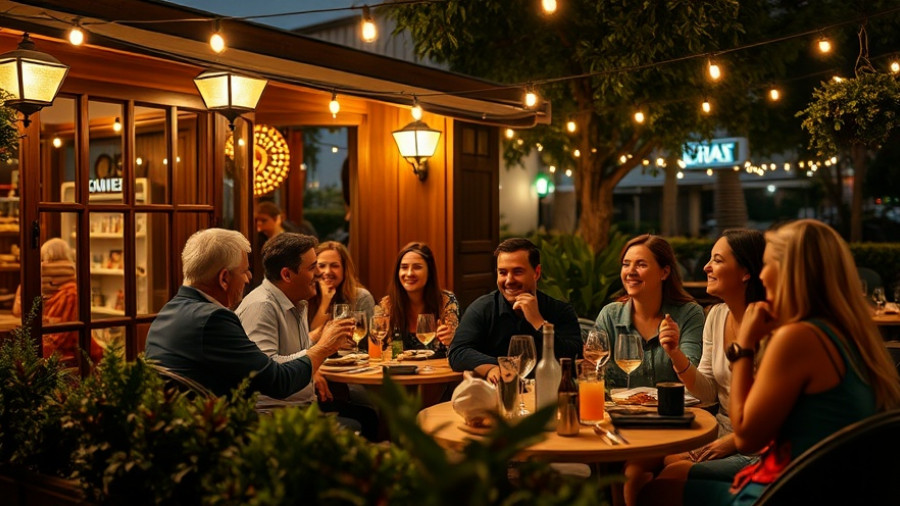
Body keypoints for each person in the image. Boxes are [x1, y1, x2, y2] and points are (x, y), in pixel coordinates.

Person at [679, 219, 900, 504]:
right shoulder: (845, 331)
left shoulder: (798, 337)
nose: (763, 275)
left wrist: (744, 346)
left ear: (790, 272)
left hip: (794, 489)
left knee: (657, 488)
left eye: (768, 264)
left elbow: (747, 438)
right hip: (840, 485)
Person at [629, 229, 765, 506]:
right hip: (722, 430)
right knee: (650, 464)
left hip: (759, 445)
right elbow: (707, 394)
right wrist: (675, 353)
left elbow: (775, 413)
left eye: (717, 260)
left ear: (745, 273)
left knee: (671, 473)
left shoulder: (769, 323)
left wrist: (733, 442)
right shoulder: (716, 315)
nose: (706, 266)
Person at [145, 228, 350, 398]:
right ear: (224, 278)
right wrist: (324, 347)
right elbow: (277, 382)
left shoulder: (169, 311)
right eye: (245, 271)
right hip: (219, 436)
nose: (249, 278)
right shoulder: (213, 320)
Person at [235, 233, 377, 440]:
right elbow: (266, 373)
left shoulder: (297, 300)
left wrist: (318, 337)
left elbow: (293, 353)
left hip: (302, 406)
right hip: (277, 416)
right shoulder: (262, 306)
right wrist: (323, 347)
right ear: (287, 275)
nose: (320, 274)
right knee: (363, 420)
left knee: (369, 414)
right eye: (313, 268)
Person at [448, 237, 581, 384]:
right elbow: (457, 353)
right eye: (503, 272)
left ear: (536, 273)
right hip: (497, 398)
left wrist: (538, 322)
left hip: (551, 397)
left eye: (518, 272)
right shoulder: (482, 308)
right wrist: (497, 365)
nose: (509, 280)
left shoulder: (560, 310)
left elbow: (573, 357)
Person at [595, 234, 704, 390]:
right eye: (626, 264)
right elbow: (597, 376)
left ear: (664, 272)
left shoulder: (689, 314)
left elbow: (695, 382)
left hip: (673, 411)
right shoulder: (610, 315)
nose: (630, 271)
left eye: (641, 265)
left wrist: (675, 353)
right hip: (622, 411)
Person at [377, 242, 459, 358]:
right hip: (399, 373)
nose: (409, 273)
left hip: (437, 372)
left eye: (417, 267)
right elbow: (377, 348)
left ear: (429, 272)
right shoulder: (387, 305)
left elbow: (459, 349)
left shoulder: (446, 301)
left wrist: (452, 340)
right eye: (404, 267)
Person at [12, 238, 85, 364]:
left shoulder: (33, 282)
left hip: (41, 352)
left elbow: (18, 311)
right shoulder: (72, 290)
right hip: (61, 358)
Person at [307, 241, 376, 333]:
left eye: (334, 266)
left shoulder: (361, 297)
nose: (327, 271)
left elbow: (365, 341)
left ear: (345, 270)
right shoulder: (305, 297)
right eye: (321, 266)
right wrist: (325, 301)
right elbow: (308, 342)